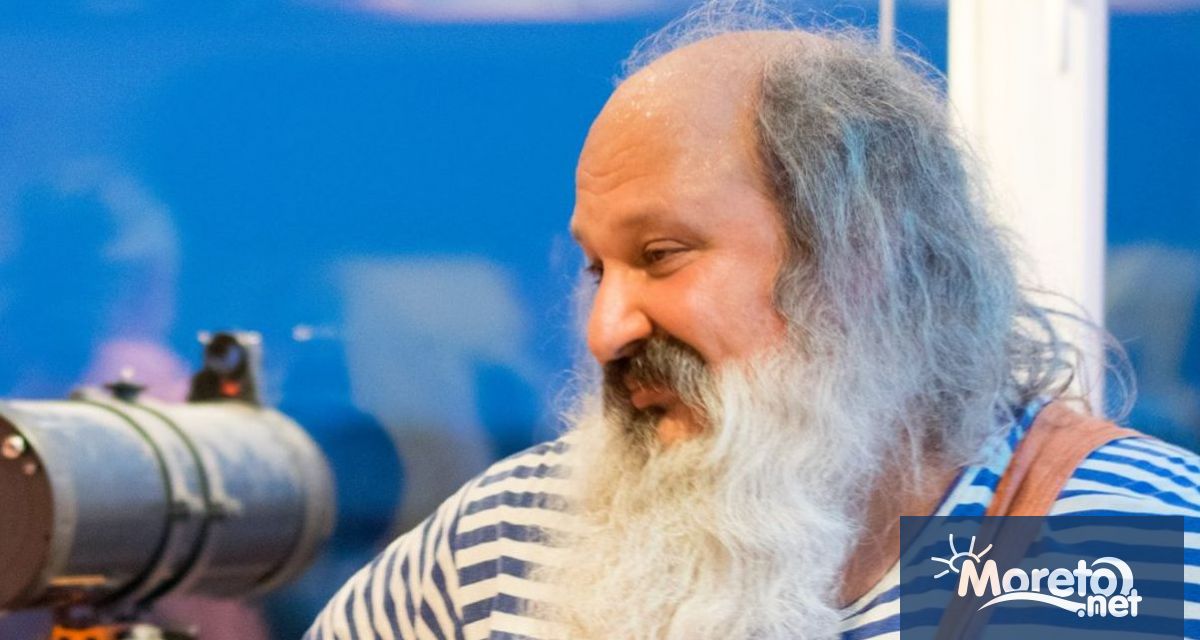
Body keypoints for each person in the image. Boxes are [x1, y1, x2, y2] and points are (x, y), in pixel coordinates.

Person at [306, 8, 1200, 640]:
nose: (607, 329)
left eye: (662, 255)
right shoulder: (509, 537)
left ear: (856, 256)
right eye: (596, 268)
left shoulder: (1122, 545)